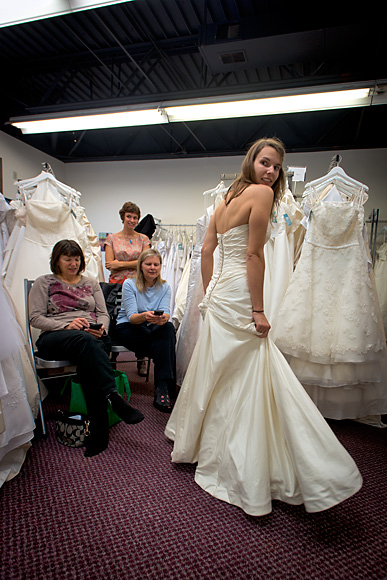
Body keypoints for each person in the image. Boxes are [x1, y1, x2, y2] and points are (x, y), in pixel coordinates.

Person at [164, 137, 362, 516]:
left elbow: (207, 251)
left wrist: (206, 295)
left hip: (219, 293)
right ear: (251, 161)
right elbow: (253, 254)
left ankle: (201, 441)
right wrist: (257, 309)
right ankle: (247, 458)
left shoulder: (225, 199)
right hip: (239, 294)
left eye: (276, 167)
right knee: (252, 372)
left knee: (219, 368)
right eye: (265, 163)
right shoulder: (260, 194)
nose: (270, 172)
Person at [29, 239, 144, 458]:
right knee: (88, 345)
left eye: (77, 258)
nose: (73, 263)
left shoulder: (91, 283)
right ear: (57, 260)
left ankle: (99, 434)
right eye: (67, 259)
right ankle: (112, 397)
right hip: (55, 338)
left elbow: (102, 313)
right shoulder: (44, 283)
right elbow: (35, 318)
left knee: (90, 358)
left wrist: (101, 328)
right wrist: (67, 324)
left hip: (89, 337)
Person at [113, 248, 176, 413]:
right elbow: (132, 317)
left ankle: (162, 387)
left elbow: (165, 311)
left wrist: (164, 318)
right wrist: (146, 317)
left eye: (156, 264)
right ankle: (164, 386)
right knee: (164, 346)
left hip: (150, 327)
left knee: (168, 327)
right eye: (148, 264)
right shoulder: (129, 284)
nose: (152, 267)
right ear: (141, 266)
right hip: (128, 326)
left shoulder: (165, 287)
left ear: (161, 266)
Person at [104, 201, 151, 376]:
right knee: (116, 320)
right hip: (117, 286)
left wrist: (121, 263)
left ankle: (141, 359)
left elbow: (145, 262)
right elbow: (110, 265)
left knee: (140, 319)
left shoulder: (144, 239)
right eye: (129, 216)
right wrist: (133, 263)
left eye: (135, 217)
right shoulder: (112, 238)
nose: (132, 220)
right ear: (123, 217)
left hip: (139, 285)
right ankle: (112, 358)